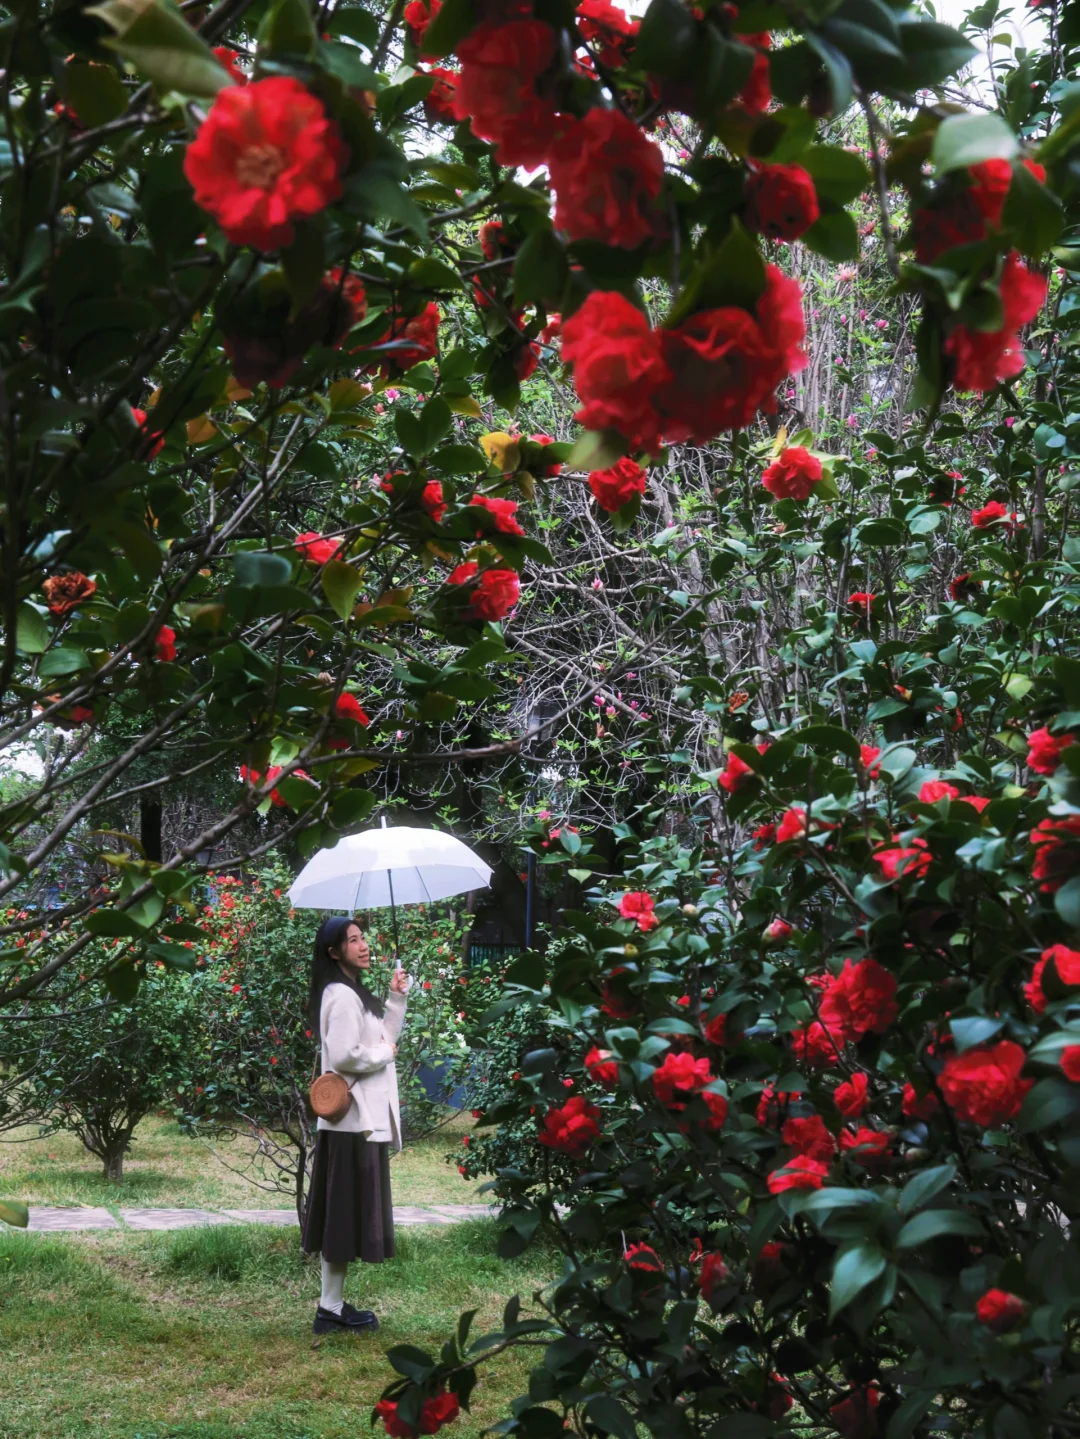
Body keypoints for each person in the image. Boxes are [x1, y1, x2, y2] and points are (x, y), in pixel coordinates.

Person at [302, 914, 408, 1335]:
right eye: (353, 940)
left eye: (362, 938)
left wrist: (396, 999)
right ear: (334, 952)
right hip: (351, 1124)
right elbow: (347, 1055)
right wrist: (384, 1055)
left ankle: (332, 1306)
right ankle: (329, 1308)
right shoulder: (340, 996)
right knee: (342, 1216)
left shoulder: (350, 992)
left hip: (356, 1123)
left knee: (342, 1215)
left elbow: (383, 1037)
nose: (363, 945)